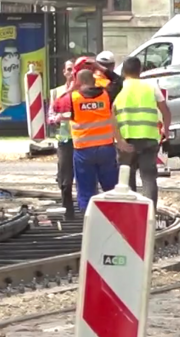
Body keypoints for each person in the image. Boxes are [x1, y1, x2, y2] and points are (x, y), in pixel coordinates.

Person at [69, 68, 132, 212]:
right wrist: (99, 66)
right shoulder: (106, 95)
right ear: (93, 79)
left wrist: (70, 88)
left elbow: (56, 106)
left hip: (83, 151)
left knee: (86, 190)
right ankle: (116, 215)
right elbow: (118, 81)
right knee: (111, 186)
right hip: (105, 149)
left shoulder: (73, 98)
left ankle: (89, 218)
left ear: (79, 81)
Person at [114, 56, 171, 205]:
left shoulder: (118, 88)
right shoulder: (151, 86)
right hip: (149, 138)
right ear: (140, 70)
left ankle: (132, 214)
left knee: (127, 178)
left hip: (126, 140)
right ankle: (150, 214)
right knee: (149, 178)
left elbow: (110, 116)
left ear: (123, 71)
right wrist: (166, 129)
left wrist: (118, 139)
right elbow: (166, 112)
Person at [47, 59, 76, 217]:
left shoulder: (84, 91)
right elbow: (50, 117)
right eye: (69, 69)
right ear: (64, 72)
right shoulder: (57, 92)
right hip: (65, 140)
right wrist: (59, 118)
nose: (72, 73)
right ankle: (68, 211)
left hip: (83, 140)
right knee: (65, 180)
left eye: (75, 70)